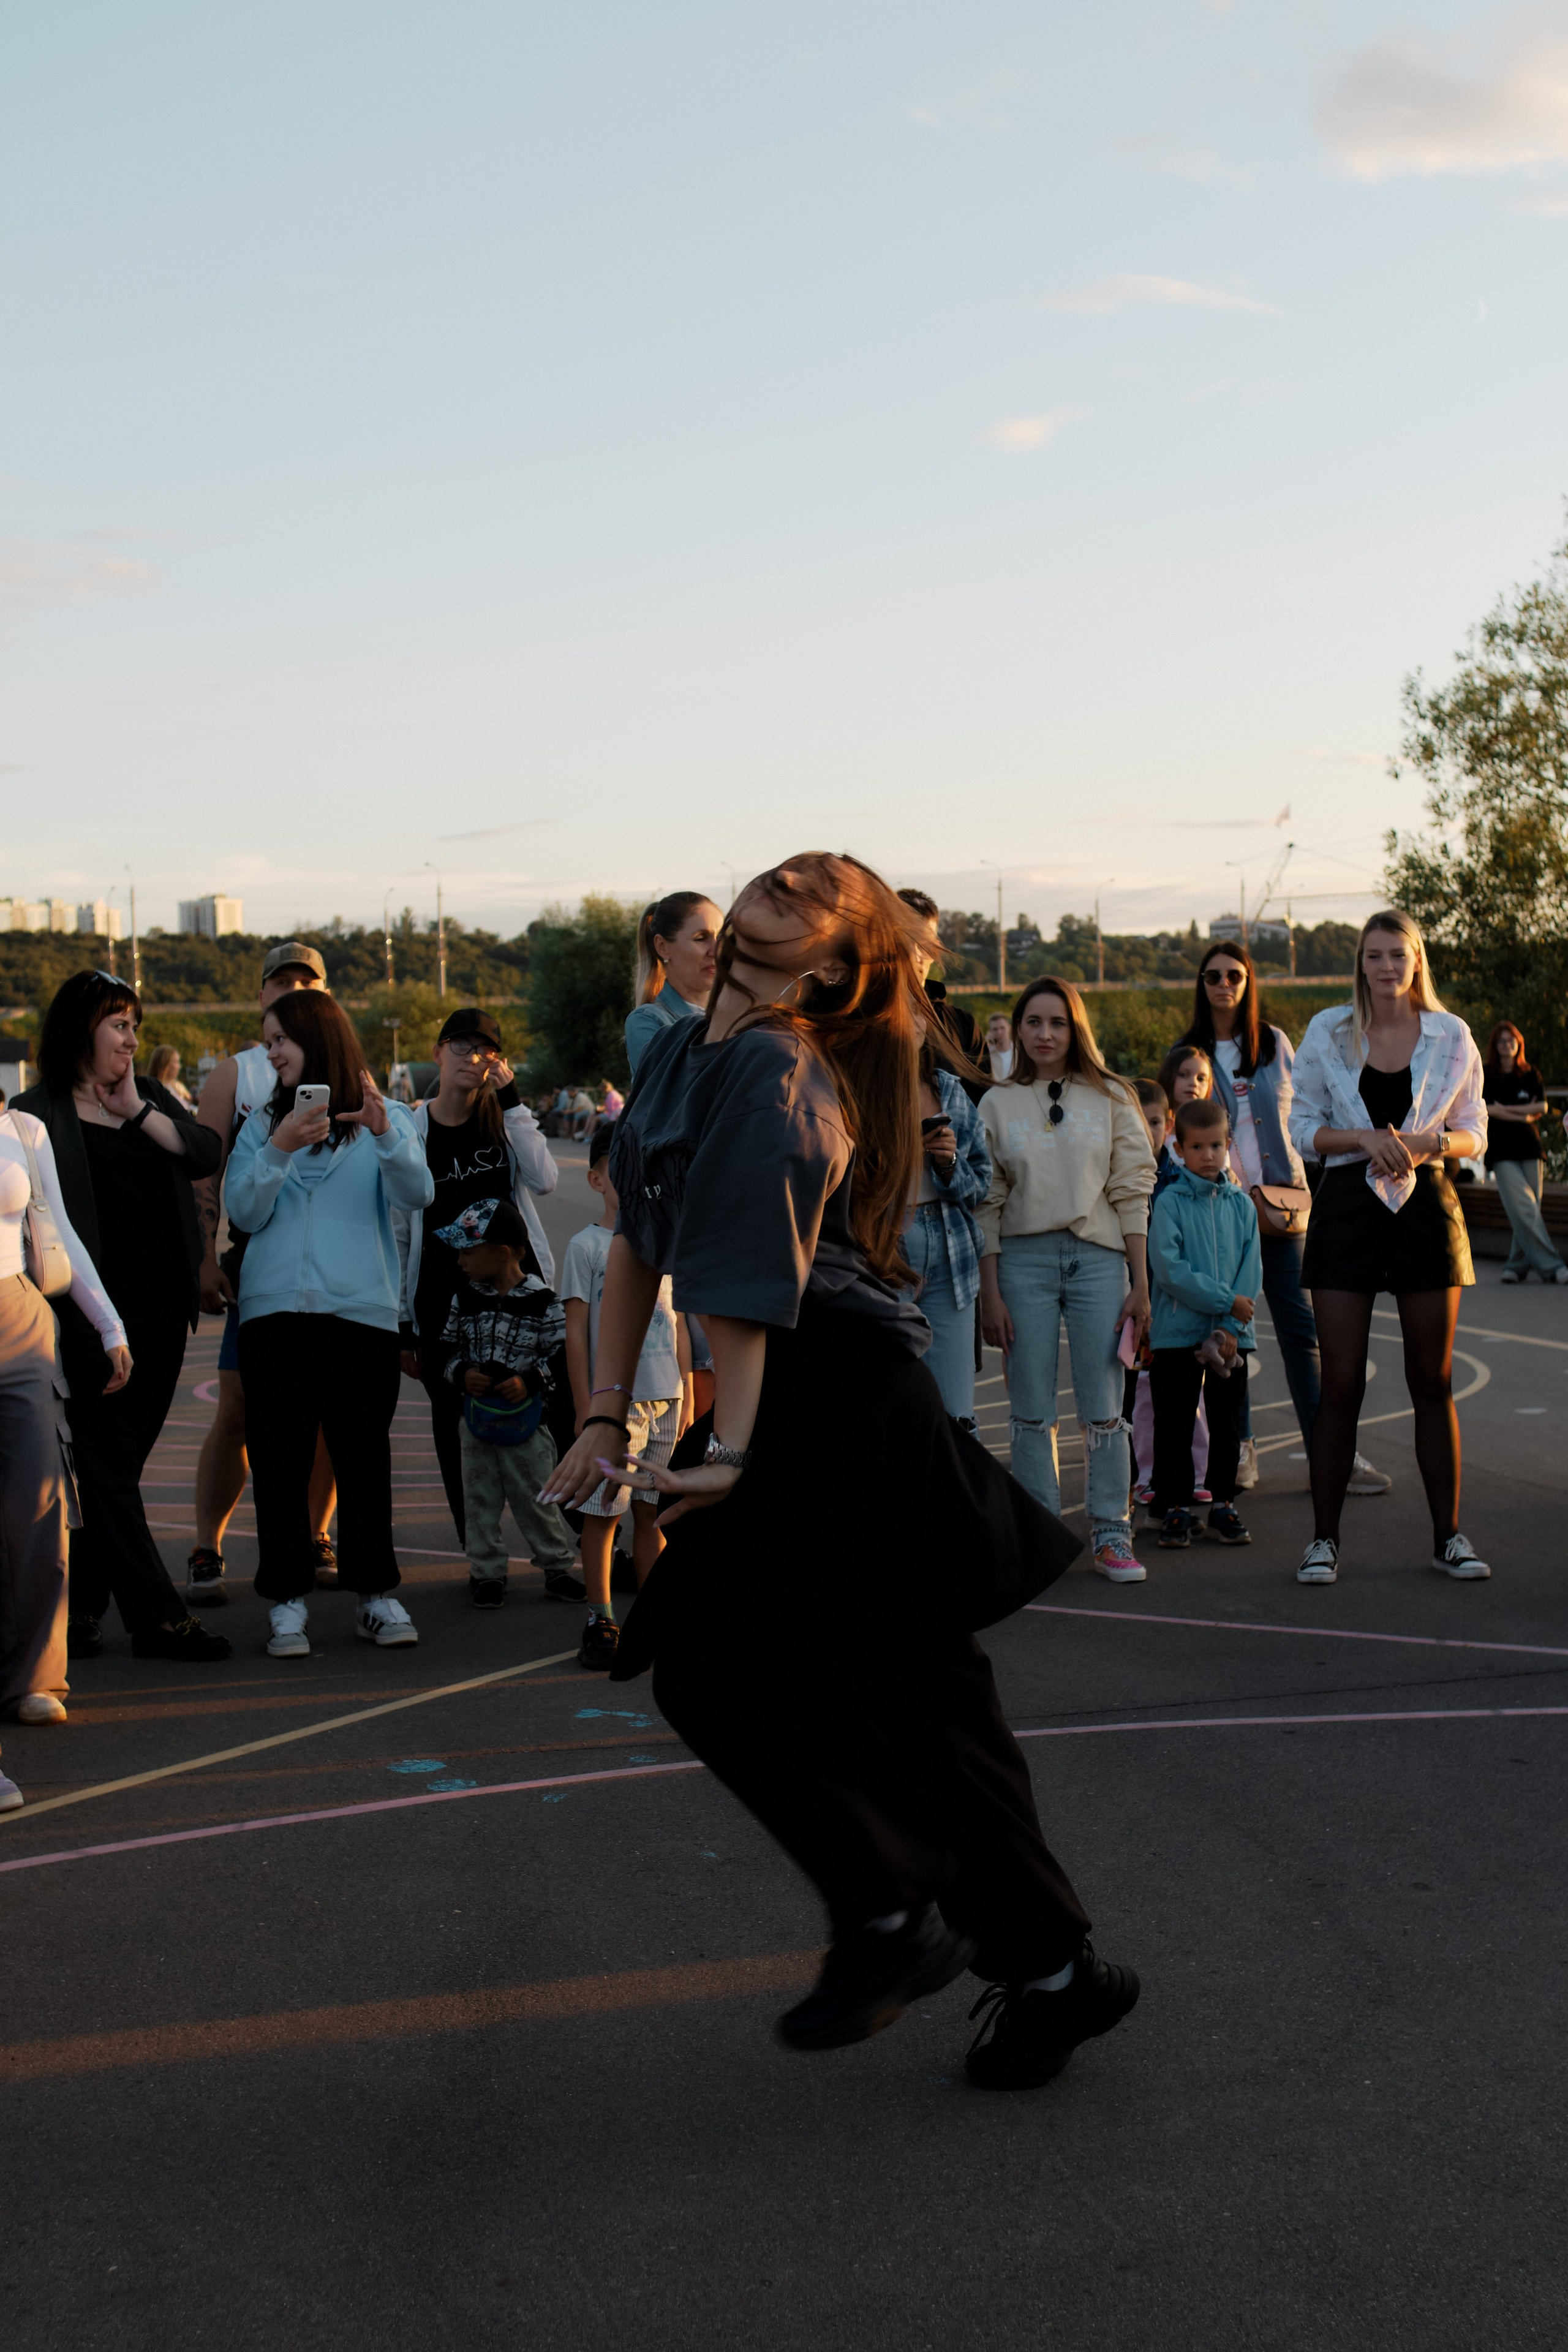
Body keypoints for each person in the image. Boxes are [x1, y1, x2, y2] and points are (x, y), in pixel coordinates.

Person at [539, 853, 1138, 2090]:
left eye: (821, 893)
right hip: (791, 1391)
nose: (791, 875)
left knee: (781, 1678)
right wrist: (604, 1413)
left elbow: (748, 1278)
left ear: (821, 962)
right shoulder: (669, 1054)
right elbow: (637, 1250)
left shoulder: (778, 1065)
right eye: (787, 865)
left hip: (838, 1393)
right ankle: (1024, 1962)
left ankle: (911, 1923)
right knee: (892, 1699)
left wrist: (735, 1449)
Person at [14, 973, 231, 1664]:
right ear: (83, 1030)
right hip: (86, 1320)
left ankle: (81, 1610)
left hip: (163, 1316)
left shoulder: (147, 1098)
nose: (133, 1040)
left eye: (136, 1026)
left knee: (118, 1468)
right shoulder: (34, 1112)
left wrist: (138, 1110)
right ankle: (158, 1620)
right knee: (106, 1466)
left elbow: (205, 1151)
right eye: (119, 1025)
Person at [225, 989, 434, 1657]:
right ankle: (286, 1602)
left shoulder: (387, 1116)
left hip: (361, 1315)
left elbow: (417, 1193)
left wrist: (383, 1133)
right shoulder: (262, 1124)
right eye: (267, 1041)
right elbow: (244, 1212)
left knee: (363, 1458)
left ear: (318, 1040)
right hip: (273, 1314)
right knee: (281, 1461)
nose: (271, 1052)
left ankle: (375, 1594)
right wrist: (280, 1148)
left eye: (280, 1039)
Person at [1289, 910, 1488, 1585]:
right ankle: (1323, 1541)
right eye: (1373, 955)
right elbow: (1303, 1127)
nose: (1384, 967)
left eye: (1396, 955)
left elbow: (1473, 1133)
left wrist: (1426, 1142)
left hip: (1426, 1208)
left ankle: (1449, 1538)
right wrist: (1364, 1140)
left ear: (1416, 961)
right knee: (1339, 1384)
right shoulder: (1327, 1031)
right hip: (1346, 1209)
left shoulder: (1451, 1036)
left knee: (1431, 1381)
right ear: (1360, 963)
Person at [1175, 944, 1392, 1502]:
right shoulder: (1189, 1051)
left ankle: (1332, 1453)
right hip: (1219, 1212)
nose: (1224, 984)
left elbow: (1306, 1108)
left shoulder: (1271, 1042)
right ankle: (1240, 1449)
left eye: (1235, 975)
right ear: (1201, 983)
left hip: (1280, 1205)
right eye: (1214, 976)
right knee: (1232, 1335)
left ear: (1249, 982)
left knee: (1303, 1333)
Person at [978, 977, 1156, 1583]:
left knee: (1103, 1406)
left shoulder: (1110, 1097)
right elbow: (987, 1200)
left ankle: (1111, 1533)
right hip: (1022, 1261)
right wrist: (991, 1289)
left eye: (1056, 1022)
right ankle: (1039, 1536)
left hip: (1098, 1259)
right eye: (1033, 1022)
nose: (1045, 1034)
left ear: (1075, 1028)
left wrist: (1139, 1281)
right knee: (1028, 1407)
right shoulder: (996, 1104)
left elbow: (1132, 1186)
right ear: (1018, 1029)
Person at [186, 942, 338, 1607]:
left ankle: (317, 1536)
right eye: (280, 981)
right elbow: (202, 1173)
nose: (292, 989)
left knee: (329, 1416)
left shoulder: (350, 1072)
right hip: (255, 1269)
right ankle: (206, 1545)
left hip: (334, 1273)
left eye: (306, 981)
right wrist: (202, 1254)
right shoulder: (237, 1075)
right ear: (261, 994)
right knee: (238, 1410)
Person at [392, 1008, 559, 1547]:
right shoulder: (413, 1129)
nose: (472, 1058)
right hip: (442, 1297)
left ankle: (560, 1545)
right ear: (437, 1053)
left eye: (485, 1049)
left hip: (515, 1294)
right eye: (460, 1047)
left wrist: (513, 1104)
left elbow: (546, 1179)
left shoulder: (500, 1119)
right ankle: (480, 1552)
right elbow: (399, 1227)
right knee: (454, 1426)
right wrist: (403, 1322)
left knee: (544, 1412)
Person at [1, 1101, 129, 1740]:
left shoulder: (24, 1130)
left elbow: (60, 1229)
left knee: (41, 1502)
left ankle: (38, 1679)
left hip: (19, 1316)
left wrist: (110, 1324)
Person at [559, 1125, 690, 1670]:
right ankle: (601, 1616)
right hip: (617, 1407)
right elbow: (576, 1333)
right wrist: (587, 1409)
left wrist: (683, 1389)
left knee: (651, 1514)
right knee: (603, 1514)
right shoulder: (586, 1247)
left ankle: (653, 1619)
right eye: (620, 1170)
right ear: (596, 1179)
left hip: (665, 1399)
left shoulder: (663, 1240)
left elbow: (677, 1321)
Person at [432, 1197, 584, 1610]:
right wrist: (463, 1373)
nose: (461, 1261)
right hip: (477, 1422)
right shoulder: (464, 1299)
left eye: (468, 1251)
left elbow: (562, 1355)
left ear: (501, 1253)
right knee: (478, 1499)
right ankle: (486, 1572)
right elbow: (444, 1350)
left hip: (528, 1424)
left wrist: (531, 1381)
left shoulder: (545, 1301)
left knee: (537, 1496)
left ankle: (556, 1568)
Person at [1147, 1097, 1261, 1550]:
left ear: (1230, 1145)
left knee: (1226, 1421)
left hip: (1232, 1335)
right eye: (1197, 1147)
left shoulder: (1243, 1207)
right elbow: (1169, 1269)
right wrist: (1225, 1301)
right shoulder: (1170, 1203)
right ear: (1179, 1148)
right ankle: (1174, 1506)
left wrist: (1234, 1324)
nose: (1209, 1155)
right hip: (1178, 1333)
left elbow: (1252, 1266)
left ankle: (1222, 1503)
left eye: (1217, 1145)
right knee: (1173, 1421)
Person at [1125, 1080, 1209, 1510]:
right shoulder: (1117, 1175)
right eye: (1136, 1122)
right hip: (1133, 1300)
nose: (1145, 1131)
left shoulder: (1182, 1179)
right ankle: (1144, 1476)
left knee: (1187, 1397)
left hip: (1175, 1305)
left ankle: (1193, 1474)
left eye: (1154, 1122)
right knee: (1139, 1398)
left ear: (1169, 1125)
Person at [903, 1051, 990, 1433]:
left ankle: (952, 1492)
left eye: (918, 1006)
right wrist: (904, 1147)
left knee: (957, 1417)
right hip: (886, 1249)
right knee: (892, 1408)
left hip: (952, 1250)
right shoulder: (853, 1081)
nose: (910, 1019)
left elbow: (981, 1182)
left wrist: (948, 1163)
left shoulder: (948, 1088)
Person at [1481, 1023, 1566, 1284]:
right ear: (1495, 1046)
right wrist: (1523, 1114)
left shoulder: (1530, 1073)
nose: (1507, 1045)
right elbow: (1486, 1108)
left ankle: (1516, 1265)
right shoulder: (1488, 1074)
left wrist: (1504, 1109)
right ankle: (1553, 1267)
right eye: (1501, 1041)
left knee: (1530, 1209)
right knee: (1524, 1207)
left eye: (1511, 1041)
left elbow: (1542, 1104)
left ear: (1519, 1044)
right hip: (1501, 1150)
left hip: (1530, 1147)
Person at [897, 889, 988, 1101]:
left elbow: (983, 1103)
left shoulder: (962, 1025)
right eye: (908, 941)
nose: (918, 955)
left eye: (926, 943)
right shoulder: (863, 1020)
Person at [624, 892, 723, 1078]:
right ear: (662, 946)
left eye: (722, 937)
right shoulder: (648, 1022)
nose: (716, 950)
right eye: (701, 938)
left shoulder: (740, 1013)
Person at [146, 1044, 193, 1109]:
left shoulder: (174, 1088)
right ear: (165, 1064)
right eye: (176, 1062)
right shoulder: (157, 1092)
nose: (179, 1066)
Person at [984, 1012, 1014, 1082]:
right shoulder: (987, 1054)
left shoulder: (1020, 1052)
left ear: (1009, 1028)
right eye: (995, 1029)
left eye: (1002, 1028)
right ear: (991, 1032)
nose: (999, 1032)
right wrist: (984, 1045)